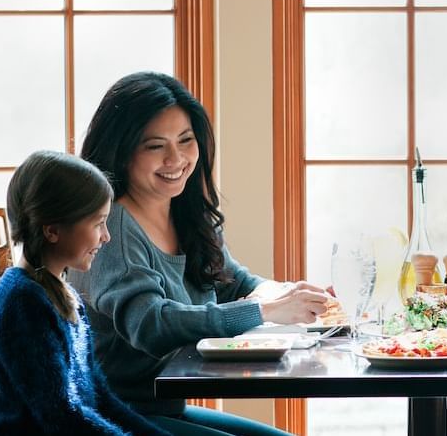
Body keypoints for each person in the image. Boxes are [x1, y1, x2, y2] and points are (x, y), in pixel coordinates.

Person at [68, 72, 328, 436]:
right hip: (113, 418)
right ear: (122, 150)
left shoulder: (181, 208)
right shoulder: (111, 226)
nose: (176, 158)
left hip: (159, 408)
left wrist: (289, 293)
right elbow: (152, 325)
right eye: (155, 146)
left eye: (186, 140)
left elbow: (232, 281)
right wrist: (267, 310)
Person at [0, 150, 169, 436]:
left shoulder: (62, 293)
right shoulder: (23, 302)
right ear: (53, 231)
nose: (106, 236)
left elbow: (100, 397)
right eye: (97, 223)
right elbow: (61, 416)